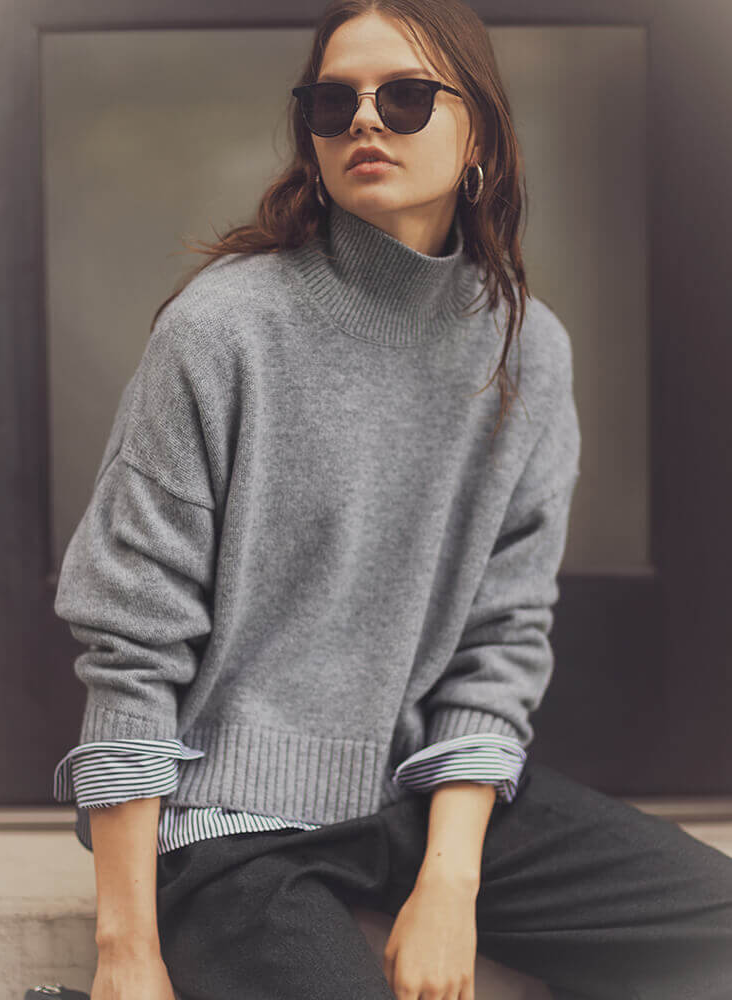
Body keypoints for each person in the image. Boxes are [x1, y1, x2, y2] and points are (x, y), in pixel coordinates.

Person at [51, 1, 732, 998]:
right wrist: (127, 949)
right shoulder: (222, 330)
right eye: (334, 104)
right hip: (228, 825)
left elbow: (500, 639)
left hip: (415, 798)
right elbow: (132, 643)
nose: (365, 119)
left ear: (480, 136)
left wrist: (450, 885)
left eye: (406, 97)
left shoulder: (525, 350)